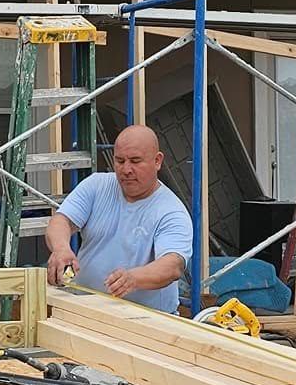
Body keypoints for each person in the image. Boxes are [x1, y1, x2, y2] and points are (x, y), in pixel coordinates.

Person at [45, 124, 193, 311]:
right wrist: (61, 249)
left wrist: (134, 278)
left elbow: (173, 266)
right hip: (84, 309)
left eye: (135, 161)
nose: (126, 169)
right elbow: (61, 221)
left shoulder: (171, 212)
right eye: (120, 161)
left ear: (157, 161)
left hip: (145, 322)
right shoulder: (96, 185)